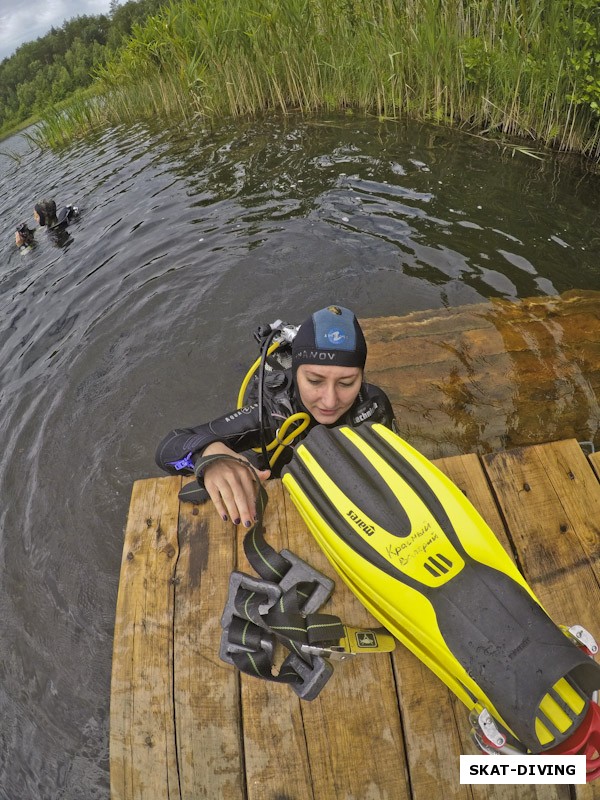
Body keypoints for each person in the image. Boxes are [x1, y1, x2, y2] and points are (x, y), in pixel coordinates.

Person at [155, 305, 396, 528]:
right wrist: (205, 455)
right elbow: (168, 448)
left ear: (361, 377)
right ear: (296, 372)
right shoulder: (272, 412)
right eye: (314, 381)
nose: (330, 401)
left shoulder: (373, 404)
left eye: (346, 383)